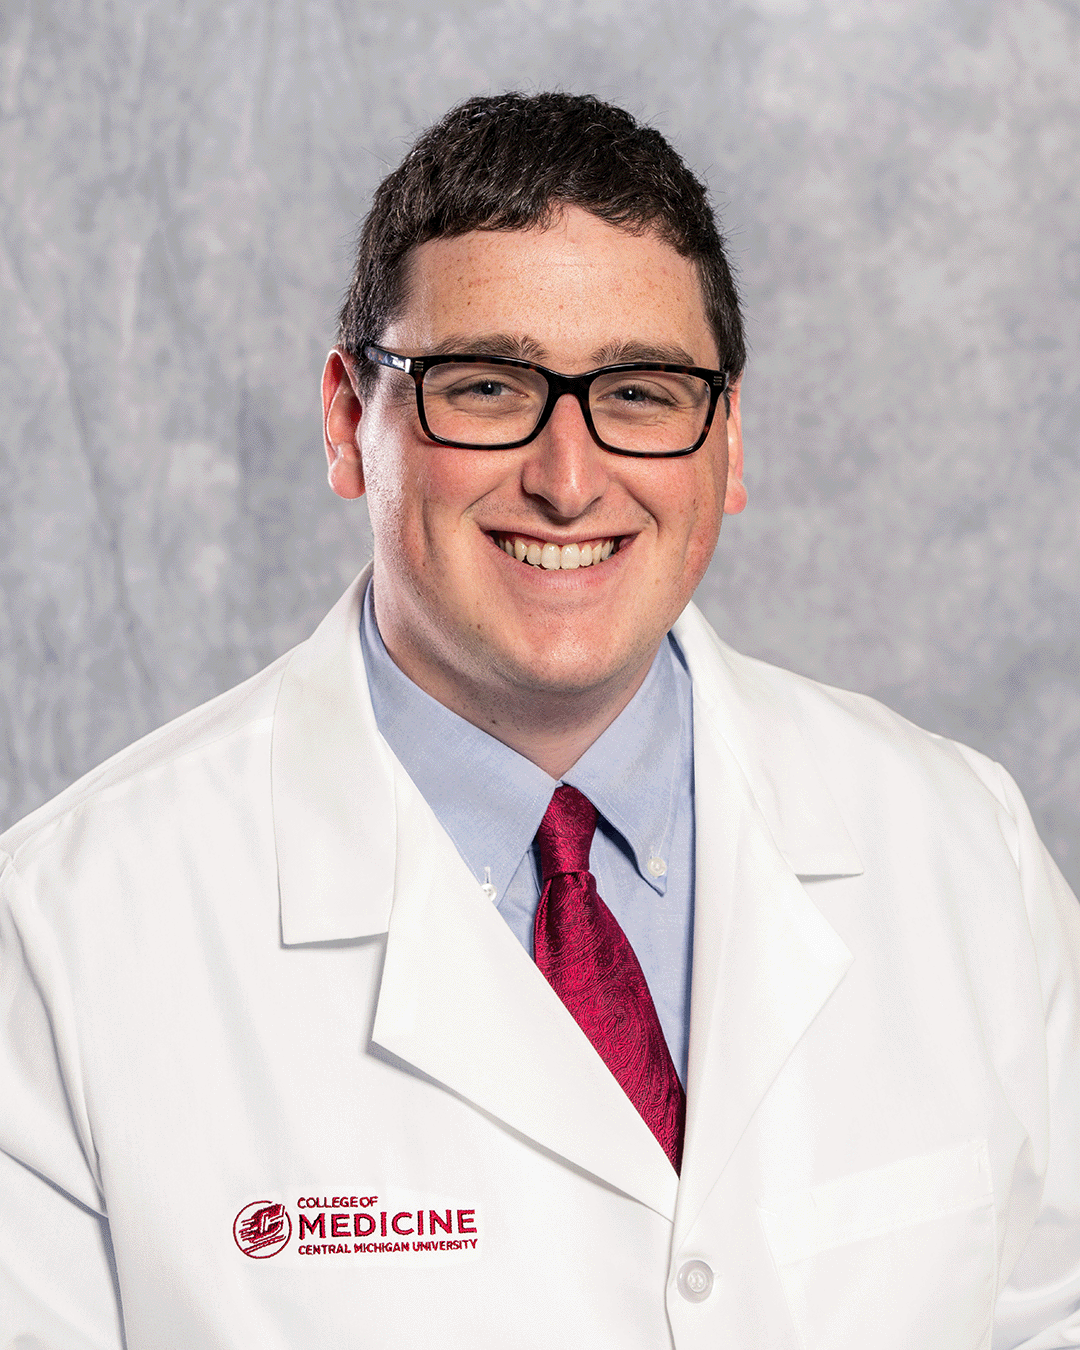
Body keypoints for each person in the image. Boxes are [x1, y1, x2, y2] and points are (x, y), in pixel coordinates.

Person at [1, 91, 1078, 1350]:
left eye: (640, 391)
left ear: (727, 442)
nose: (569, 482)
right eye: (487, 385)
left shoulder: (962, 850)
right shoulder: (64, 937)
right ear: (352, 421)